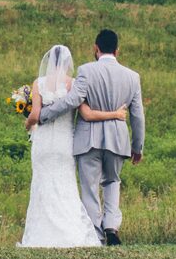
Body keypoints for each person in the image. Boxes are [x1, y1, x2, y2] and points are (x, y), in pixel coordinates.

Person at [31, 29, 145, 246]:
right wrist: (137, 147)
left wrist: (43, 115)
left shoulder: (86, 71)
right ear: (117, 51)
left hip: (88, 140)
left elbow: (73, 100)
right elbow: (138, 114)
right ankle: (111, 226)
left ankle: (96, 234)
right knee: (112, 181)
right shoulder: (132, 77)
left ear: (96, 48)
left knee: (89, 186)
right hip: (118, 140)